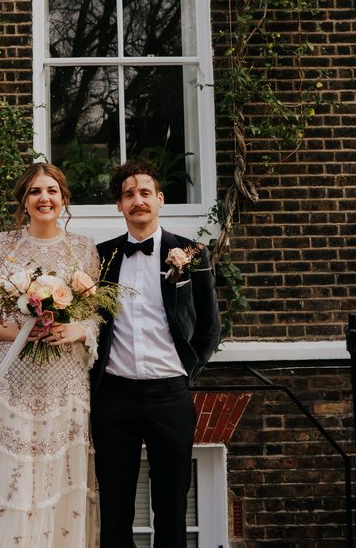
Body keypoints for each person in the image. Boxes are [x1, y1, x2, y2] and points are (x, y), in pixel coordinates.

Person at [0, 162, 100, 547]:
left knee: (59, 493)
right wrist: (23, 331)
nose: (45, 198)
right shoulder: (0, 245)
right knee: (12, 490)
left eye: (52, 191)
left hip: (65, 390)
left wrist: (78, 329)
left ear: (64, 198)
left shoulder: (83, 250)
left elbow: (95, 318)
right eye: (36, 191)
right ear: (24, 199)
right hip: (13, 388)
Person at [90, 159, 221, 548]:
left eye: (145, 192)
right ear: (119, 206)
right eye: (129, 194)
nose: (138, 200)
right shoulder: (102, 258)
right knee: (114, 508)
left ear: (160, 199)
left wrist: (185, 372)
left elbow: (210, 328)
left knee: (171, 506)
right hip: (114, 396)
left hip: (170, 395)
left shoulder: (191, 253)